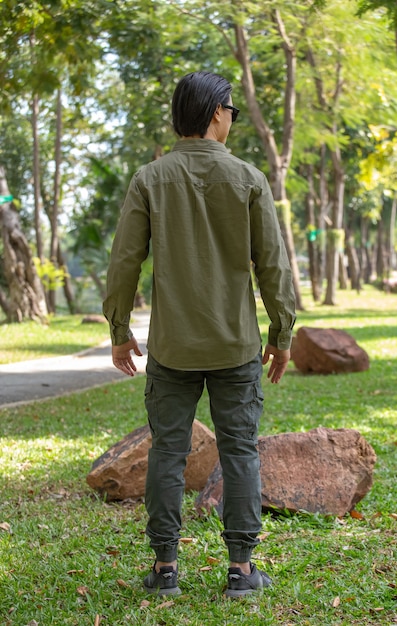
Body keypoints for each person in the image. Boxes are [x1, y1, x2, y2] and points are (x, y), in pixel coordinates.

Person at [103, 71, 296, 599]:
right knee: (239, 450)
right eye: (231, 110)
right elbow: (273, 267)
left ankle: (165, 568)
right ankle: (241, 570)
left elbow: (124, 262)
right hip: (236, 346)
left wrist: (118, 329)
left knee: (168, 450)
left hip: (173, 348)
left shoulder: (149, 178)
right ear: (215, 113)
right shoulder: (249, 179)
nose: (232, 118)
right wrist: (281, 332)